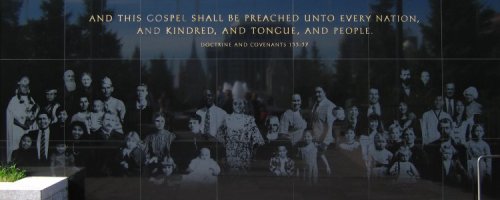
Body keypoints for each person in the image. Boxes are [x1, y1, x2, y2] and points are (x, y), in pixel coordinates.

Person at [216, 98, 264, 172]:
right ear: (232, 106)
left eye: (240, 104)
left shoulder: (249, 119)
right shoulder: (227, 118)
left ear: (244, 105)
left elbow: (258, 138)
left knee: (244, 176)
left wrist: (253, 152)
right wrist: (225, 145)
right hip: (231, 152)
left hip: (245, 152)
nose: (238, 106)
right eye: (235, 104)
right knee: (232, 175)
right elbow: (219, 134)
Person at [6, 76, 38, 162]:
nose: (25, 88)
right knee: (17, 148)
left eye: (27, 86)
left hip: (27, 129)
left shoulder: (31, 100)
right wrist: (22, 125)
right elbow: (10, 117)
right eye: (23, 86)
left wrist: (30, 122)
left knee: (27, 148)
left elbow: (35, 115)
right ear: (19, 87)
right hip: (17, 129)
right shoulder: (14, 100)